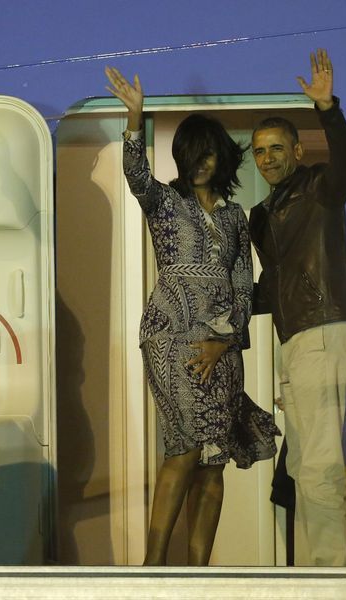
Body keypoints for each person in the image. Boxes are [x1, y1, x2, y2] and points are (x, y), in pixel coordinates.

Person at [105, 66, 281, 566]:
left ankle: (198, 573)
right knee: (184, 444)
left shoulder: (233, 218)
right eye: (191, 153)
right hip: (169, 336)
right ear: (181, 158)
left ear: (221, 156)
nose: (200, 162)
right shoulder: (163, 202)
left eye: (208, 152)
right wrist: (135, 119)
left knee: (214, 460)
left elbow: (243, 289)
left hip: (222, 347)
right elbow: (136, 174)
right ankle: (153, 567)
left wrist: (225, 342)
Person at [249, 49, 346, 566]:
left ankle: (331, 578)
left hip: (322, 328)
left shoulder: (319, 187)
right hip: (294, 339)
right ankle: (319, 571)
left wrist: (327, 108)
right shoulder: (262, 214)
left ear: (296, 151)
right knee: (300, 468)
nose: (267, 158)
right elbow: (270, 286)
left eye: (276, 148)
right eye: (259, 151)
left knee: (315, 464)